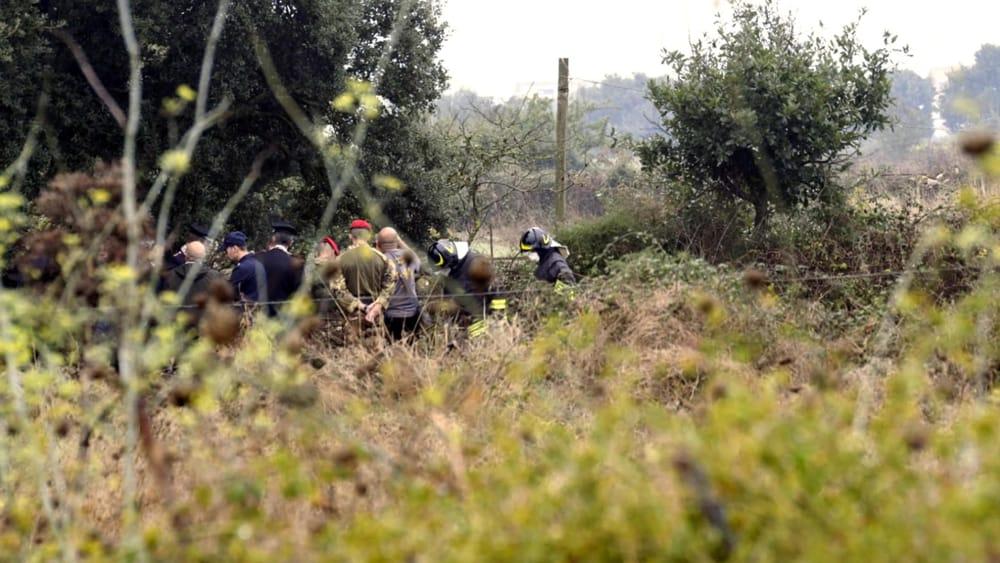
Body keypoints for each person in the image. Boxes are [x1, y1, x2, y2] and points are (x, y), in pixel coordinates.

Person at [426, 239, 506, 338]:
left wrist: (498, 316)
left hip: (486, 322)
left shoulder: (476, 263)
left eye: (445, 268)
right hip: (464, 326)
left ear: (452, 261)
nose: (444, 271)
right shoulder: (450, 272)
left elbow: (497, 291)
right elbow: (449, 297)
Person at [328, 219, 397, 326]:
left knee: (353, 342)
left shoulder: (340, 260)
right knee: (376, 341)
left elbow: (338, 290)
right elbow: (391, 283)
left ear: (350, 236)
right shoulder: (383, 259)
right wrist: (379, 304)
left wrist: (360, 306)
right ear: (368, 236)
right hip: (376, 313)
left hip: (352, 314)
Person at [158, 240, 223, 323]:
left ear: (186, 255)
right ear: (203, 256)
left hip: (176, 326)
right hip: (203, 327)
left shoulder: (169, 275)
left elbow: (162, 302)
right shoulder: (215, 277)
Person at [375, 227, 421, 341]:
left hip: (390, 314)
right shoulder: (409, 257)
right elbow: (419, 264)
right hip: (412, 313)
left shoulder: (379, 260)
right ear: (397, 241)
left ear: (379, 244)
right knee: (411, 350)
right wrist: (399, 241)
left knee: (392, 350)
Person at [255, 220, 304, 315]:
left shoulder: (258, 258)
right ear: (290, 242)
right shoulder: (296, 264)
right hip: (283, 318)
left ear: (273, 239)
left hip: (257, 317)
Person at [223, 231, 263, 303]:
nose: (226, 253)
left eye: (226, 250)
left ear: (234, 249)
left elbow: (228, 294)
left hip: (247, 310)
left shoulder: (242, 268)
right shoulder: (257, 262)